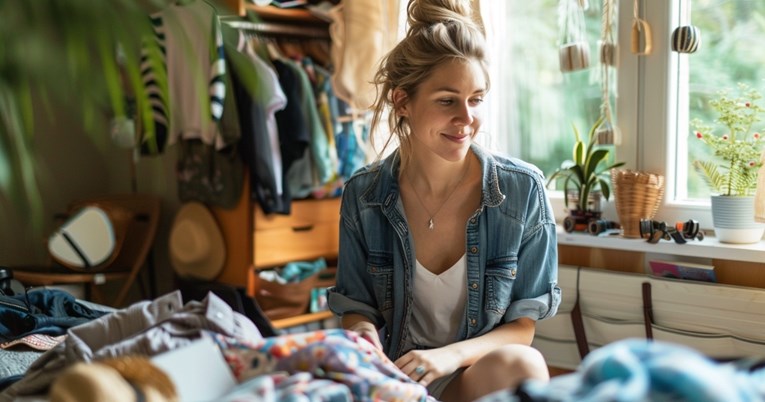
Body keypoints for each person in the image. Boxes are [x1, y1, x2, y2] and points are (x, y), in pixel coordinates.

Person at [327, 0, 561, 400]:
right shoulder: (363, 196)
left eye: (476, 99)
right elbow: (357, 307)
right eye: (447, 100)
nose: (467, 118)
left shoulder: (522, 191)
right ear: (403, 102)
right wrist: (364, 337)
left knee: (526, 365)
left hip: (469, 375)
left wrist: (447, 357)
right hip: (394, 379)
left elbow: (523, 328)